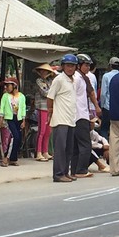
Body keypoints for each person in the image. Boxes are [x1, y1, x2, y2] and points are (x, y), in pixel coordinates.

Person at [47, 54, 79, 182]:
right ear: (63, 66)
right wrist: (50, 111)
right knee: (60, 148)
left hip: (71, 119)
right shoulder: (59, 79)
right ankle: (58, 174)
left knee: (68, 148)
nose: (70, 68)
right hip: (60, 119)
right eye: (68, 66)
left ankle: (65, 172)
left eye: (72, 66)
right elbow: (50, 97)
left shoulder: (73, 80)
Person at [72, 54, 102, 179]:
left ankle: (75, 170)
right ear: (79, 66)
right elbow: (91, 94)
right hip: (79, 115)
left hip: (79, 113)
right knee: (85, 144)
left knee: (76, 145)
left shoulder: (83, 77)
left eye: (89, 65)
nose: (88, 67)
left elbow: (91, 93)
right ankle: (81, 170)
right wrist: (96, 107)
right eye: (86, 65)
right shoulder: (78, 79)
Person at [0, 77, 26, 167]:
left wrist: (24, 120)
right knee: (14, 137)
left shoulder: (21, 96)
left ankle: (13, 158)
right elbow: (2, 107)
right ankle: (6, 157)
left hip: (18, 119)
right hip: (9, 118)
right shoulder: (5, 96)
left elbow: (23, 108)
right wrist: (1, 119)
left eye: (8, 85)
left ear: (14, 86)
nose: (6, 87)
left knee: (18, 138)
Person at [33, 63, 55, 161]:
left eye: (46, 71)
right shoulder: (39, 81)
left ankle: (45, 151)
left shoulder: (51, 81)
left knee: (48, 131)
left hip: (49, 107)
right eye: (42, 71)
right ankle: (38, 152)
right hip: (42, 107)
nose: (44, 73)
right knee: (41, 130)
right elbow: (45, 92)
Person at [99, 56, 119, 139]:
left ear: (110, 65)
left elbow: (103, 93)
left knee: (104, 129)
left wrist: (102, 105)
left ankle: (106, 147)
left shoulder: (106, 76)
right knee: (117, 130)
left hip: (108, 106)